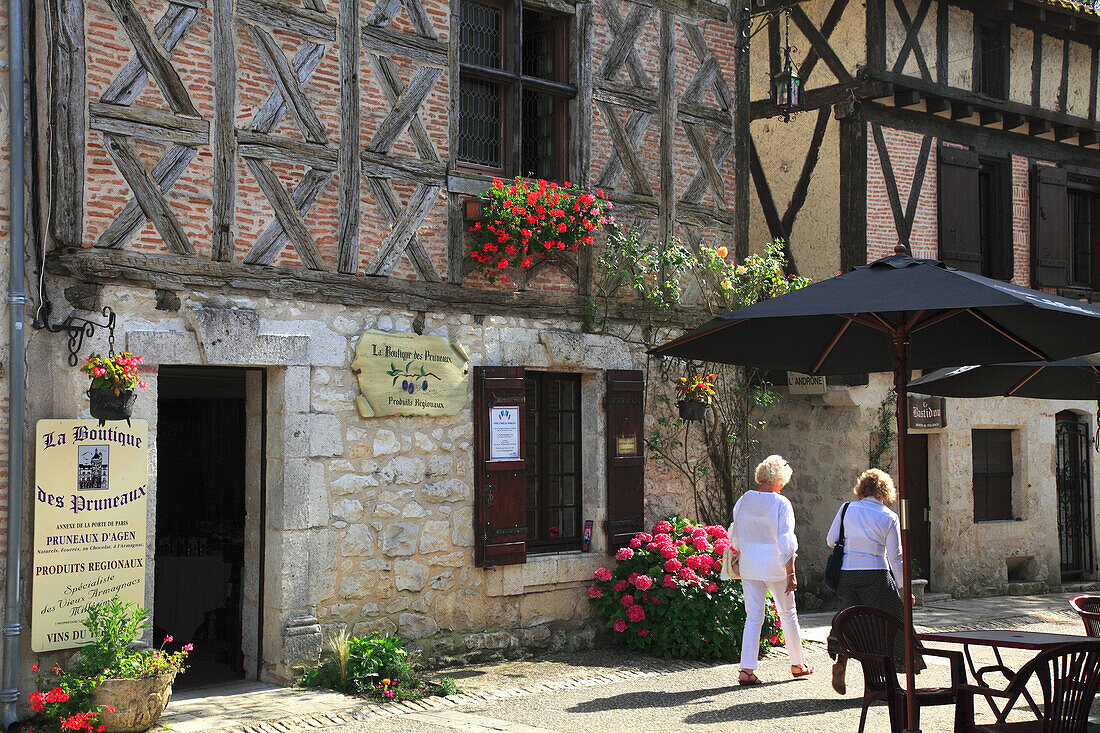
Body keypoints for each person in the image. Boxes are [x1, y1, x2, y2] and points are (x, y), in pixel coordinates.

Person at [826, 468, 918, 695]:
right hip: (876, 574)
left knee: (849, 620)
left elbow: (831, 541)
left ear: (862, 489)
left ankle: (841, 663)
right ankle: (884, 678)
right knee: (886, 623)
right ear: (885, 493)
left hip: (847, 574)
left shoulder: (847, 508)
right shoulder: (889, 516)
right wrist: (904, 589)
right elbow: (895, 557)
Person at [727, 454, 812, 685]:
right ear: (779, 479)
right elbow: (786, 540)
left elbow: (734, 535)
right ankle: (797, 663)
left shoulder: (744, 500)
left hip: (749, 566)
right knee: (788, 613)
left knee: (753, 616)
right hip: (775, 566)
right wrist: (791, 573)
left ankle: (746, 669)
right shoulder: (781, 503)